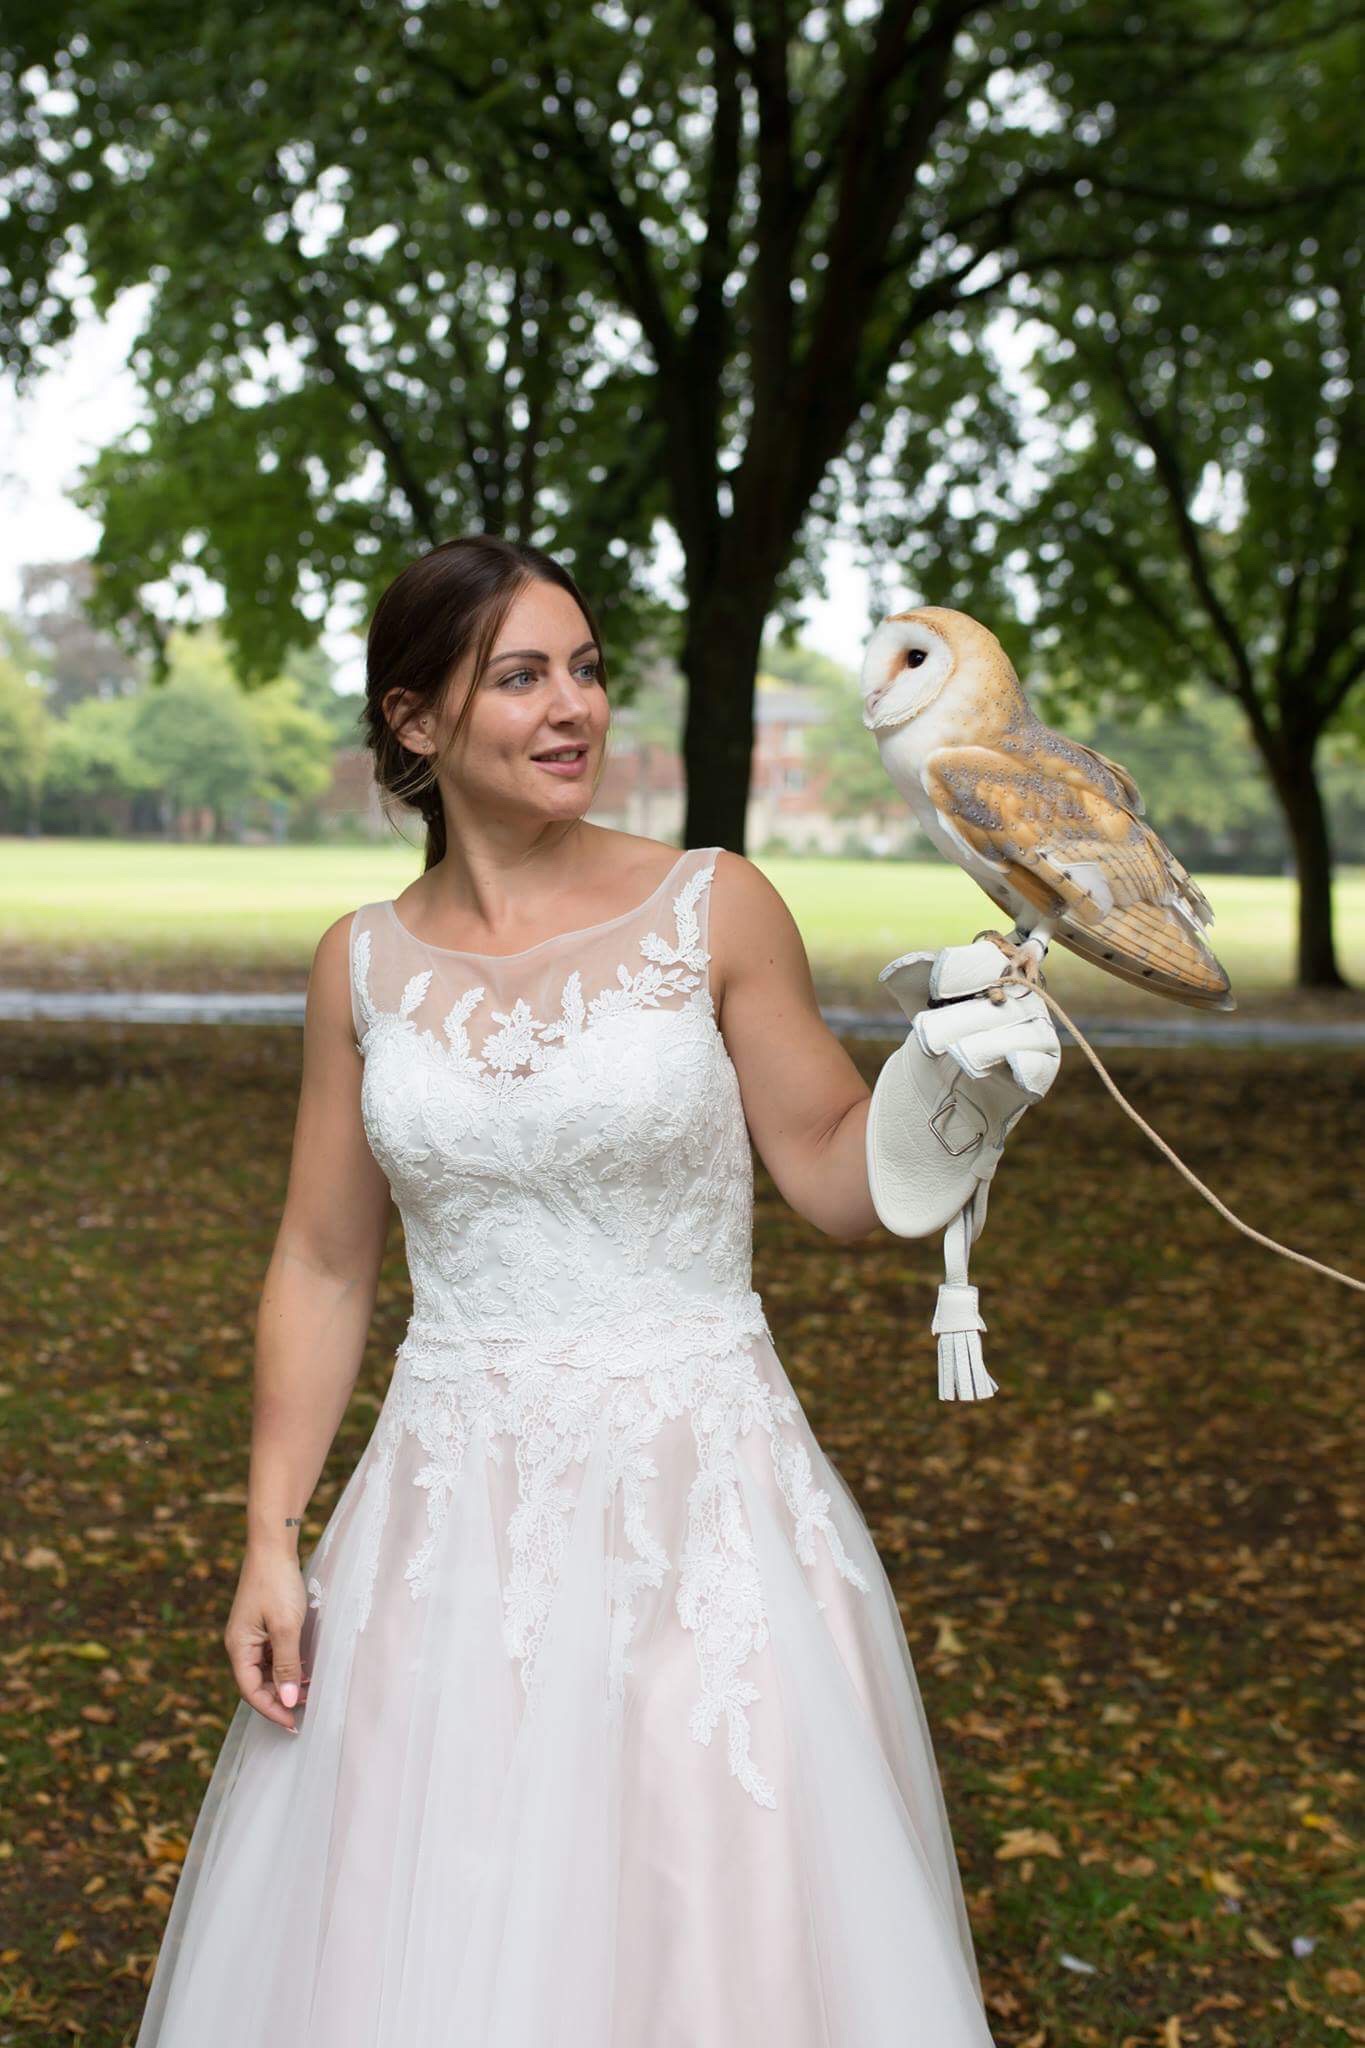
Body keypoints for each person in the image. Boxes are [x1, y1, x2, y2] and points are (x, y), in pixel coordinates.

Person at [132, 533, 1051, 2047]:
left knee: (711, 1911)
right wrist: (266, 1534)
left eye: (586, 670)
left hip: (701, 1506)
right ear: (416, 722)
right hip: (447, 1518)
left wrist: (956, 1099)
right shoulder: (356, 967)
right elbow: (321, 1255)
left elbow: (830, 1172)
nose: (572, 709)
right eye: (519, 677)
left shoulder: (713, 905)